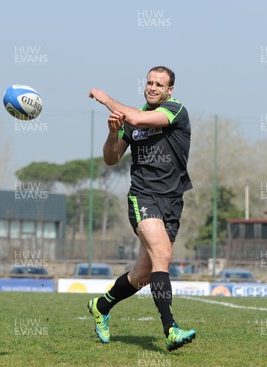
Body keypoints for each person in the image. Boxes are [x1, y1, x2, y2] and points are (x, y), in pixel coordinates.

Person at [86, 66, 196, 351]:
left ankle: (100, 305)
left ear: (170, 90)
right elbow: (111, 159)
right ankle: (171, 329)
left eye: (159, 84)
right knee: (163, 255)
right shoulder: (130, 122)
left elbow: (135, 116)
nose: (153, 87)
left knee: (143, 275)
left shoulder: (175, 111)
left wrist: (105, 98)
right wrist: (113, 133)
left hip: (172, 200)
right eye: (149, 82)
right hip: (143, 196)